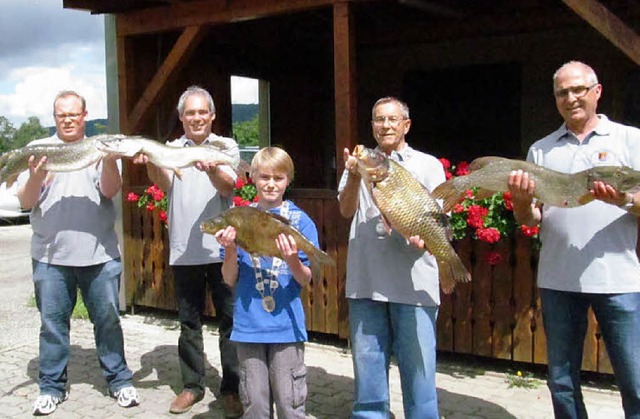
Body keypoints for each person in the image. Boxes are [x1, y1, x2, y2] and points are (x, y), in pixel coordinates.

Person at [508, 61, 640, 418]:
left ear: (597, 91)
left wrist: (624, 200)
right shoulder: (542, 149)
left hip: (619, 280)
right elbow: (532, 219)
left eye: (579, 89)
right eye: (562, 92)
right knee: (562, 382)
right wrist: (521, 205)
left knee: (636, 380)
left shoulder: (630, 140)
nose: (571, 98)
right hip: (558, 280)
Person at [17, 91, 139, 416]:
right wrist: (35, 176)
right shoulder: (39, 151)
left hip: (100, 256)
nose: (68, 119)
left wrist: (111, 159)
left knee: (108, 322)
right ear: (54, 117)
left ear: (85, 115)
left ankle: (119, 380)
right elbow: (26, 202)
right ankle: (51, 387)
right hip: (49, 257)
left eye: (74, 114)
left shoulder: (100, 147)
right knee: (53, 325)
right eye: (61, 115)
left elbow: (110, 191)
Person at [133, 85, 242, 417]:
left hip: (222, 249)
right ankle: (192, 387)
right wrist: (150, 161)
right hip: (184, 250)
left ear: (212, 115)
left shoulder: (226, 146)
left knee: (230, 321)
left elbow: (229, 186)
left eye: (201, 112)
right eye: (189, 113)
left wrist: (211, 169)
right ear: (181, 118)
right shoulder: (170, 149)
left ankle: (232, 389)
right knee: (188, 322)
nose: (196, 118)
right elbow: (165, 183)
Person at [337, 97, 445, 418]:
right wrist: (354, 176)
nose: (385, 125)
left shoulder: (428, 165)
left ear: (406, 125)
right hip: (366, 280)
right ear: (372, 126)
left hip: (414, 283)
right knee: (368, 370)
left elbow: (440, 218)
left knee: (419, 373)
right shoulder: (359, 163)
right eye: (378, 120)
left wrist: (423, 236)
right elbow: (345, 210)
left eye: (392, 119)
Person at [213, 146, 314, 418]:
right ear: (253, 178)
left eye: (278, 178)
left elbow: (305, 279)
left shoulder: (301, 222)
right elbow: (229, 278)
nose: (271, 184)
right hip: (248, 326)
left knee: (289, 402)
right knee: (255, 405)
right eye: (264, 177)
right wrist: (231, 249)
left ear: (288, 180)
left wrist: (292, 259)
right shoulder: (238, 217)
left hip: (286, 328)